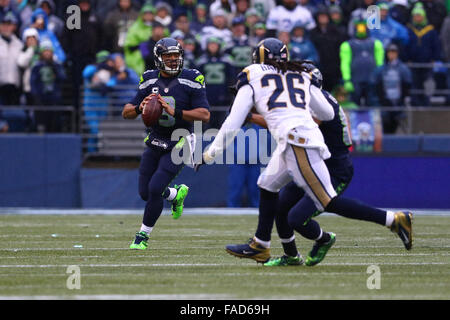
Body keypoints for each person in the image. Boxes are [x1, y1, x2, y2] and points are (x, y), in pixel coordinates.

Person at [195, 38, 413, 266]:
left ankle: (394, 219)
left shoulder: (253, 74)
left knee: (327, 201)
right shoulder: (299, 75)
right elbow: (328, 113)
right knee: (267, 184)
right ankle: (262, 244)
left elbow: (233, 121)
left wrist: (210, 153)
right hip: (296, 141)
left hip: (301, 142)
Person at [122, 37, 210, 250]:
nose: (172, 60)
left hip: (181, 140)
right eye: (168, 56)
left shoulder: (192, 77)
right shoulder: (149, 78)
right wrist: (138, 108)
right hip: (155, 139)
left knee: (154, 188)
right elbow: (126, 112)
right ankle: (175, 194)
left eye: (176, 55)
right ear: (158, 58)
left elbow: (205, 115)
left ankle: (142, 236)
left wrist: (175, 111)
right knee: (145, 192)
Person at [340, 18, 384, 106]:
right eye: (359, 27)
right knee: (354, 104)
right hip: (355, 80)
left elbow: (380, 63)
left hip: (372, 80)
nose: (361, 29)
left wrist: (380, 77)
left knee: (372, 103)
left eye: (363, 27)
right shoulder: (347, 45)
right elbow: (345, 63)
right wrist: (347, 80)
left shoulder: (376, 43)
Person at [372, 43, 412, 133]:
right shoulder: (381, 69)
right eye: (390, 52)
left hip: (398, 102)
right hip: (385, 103)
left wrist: (404, 99)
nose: (392, 55)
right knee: (386, 125)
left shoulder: (403, 69)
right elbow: (376, 85)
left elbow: (407, 84)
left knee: (395, 125)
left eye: (394, 52)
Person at [30, 40, 66, 133]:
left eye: (49, 51)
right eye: (45, 51)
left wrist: (55, 68)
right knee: (41, 124)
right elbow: (33, 81)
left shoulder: (57, 65)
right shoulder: (37, 66)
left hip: (54, 98)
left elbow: (62, 78)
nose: (47, 53)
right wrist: (36, 96)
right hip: (41, 99)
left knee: (54, 124)